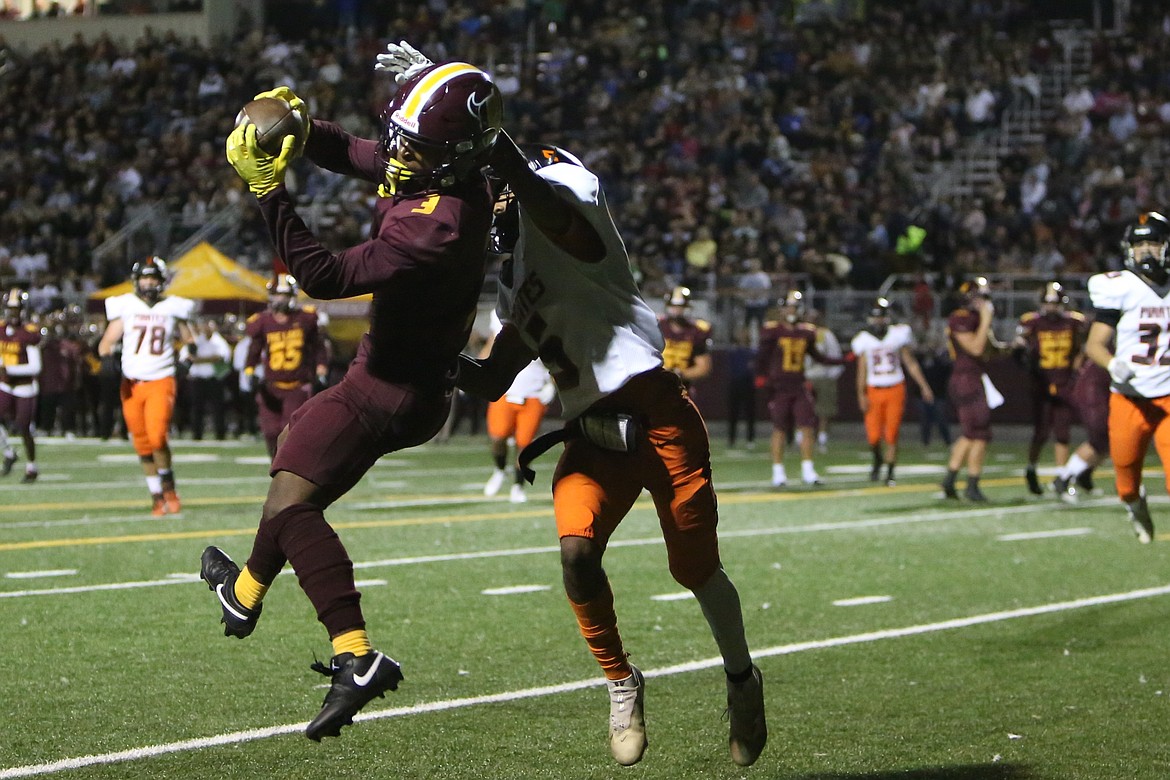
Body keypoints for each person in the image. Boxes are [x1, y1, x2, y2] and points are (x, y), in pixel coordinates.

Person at [199, 61, 503, 741]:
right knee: (290, 474)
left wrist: (268, 190)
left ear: (451, 154)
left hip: (392, 389)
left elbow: (322, 275)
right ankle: (243, 595)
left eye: (412, 142)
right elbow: (354, 152)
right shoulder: (442, 172)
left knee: (295, 499)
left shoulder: (439, 222)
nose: (396, 150)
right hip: (394, 376)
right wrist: (305, 126)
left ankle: (356, 656)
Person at [456, 136, 766, 767]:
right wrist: (421, 352)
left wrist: (488, 133)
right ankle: (621, 680)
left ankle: (741, 679)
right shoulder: (519, 276)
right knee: (575, 554)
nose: (499, 203)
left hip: (658, 420)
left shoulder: (575, 221)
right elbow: (491, 379)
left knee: (696, 570)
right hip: (594, 434)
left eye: (507, 189)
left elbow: (540, 196)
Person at [1084, 211, 1170, 543]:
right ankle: (1136, 507)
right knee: (1126, 481)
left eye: (1153, 242)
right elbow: (1094, 345)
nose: (1145, 250)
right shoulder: (1119, 287)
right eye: (1139, 244)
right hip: (1129, 396)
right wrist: (1113, 364)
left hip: (1167, 394)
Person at [97, 257, 196, 515]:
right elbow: (106, 342)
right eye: (145, 277)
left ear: (162, 281)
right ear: (136, 280)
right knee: (141, 442)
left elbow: (190, 341)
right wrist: (107, 358)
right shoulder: (126, 306)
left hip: (161, 379)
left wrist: (186, 360)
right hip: (131, 383)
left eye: (153, 278)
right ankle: (156, 495)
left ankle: (169, 486)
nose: (149, 283)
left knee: (157, 436)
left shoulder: (173, 307)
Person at [755, 290, 847, 487]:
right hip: (780, 387)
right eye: (788, 306)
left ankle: (808, 470)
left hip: (798, 385)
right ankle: (778, 472)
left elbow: (818, 356)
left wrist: (840, 360)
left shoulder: (807, 332)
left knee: (806, 426)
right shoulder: (773, 331)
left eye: (795, 307)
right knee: (779, 428)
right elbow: (762, 357)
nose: (791, 310)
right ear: (781, 309)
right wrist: (761, 378)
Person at [243, 273, 328, 458]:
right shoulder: (262, 321)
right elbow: (254, 349)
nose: (280, 299)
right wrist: (249, 371)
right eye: (276, 294)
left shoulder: (306, 318)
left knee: (289, 431)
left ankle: (290, 466)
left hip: (298, 384)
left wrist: (321, 367)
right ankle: (277, 467)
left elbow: (318, 346)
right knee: (271, 432)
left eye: (284, 295)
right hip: (270, 386)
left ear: (292, 296)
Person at [851, 297, 933, 486]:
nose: (879, 321)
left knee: (892, 432)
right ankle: (878, 459)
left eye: (882, 317)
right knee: (873, 436)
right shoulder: (864, 339)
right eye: (876, 318)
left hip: (895, 387)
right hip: (873, 389)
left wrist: (924, 385)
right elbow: (861, 370)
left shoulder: (897, 335)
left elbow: (910, 363)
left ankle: (890, 472)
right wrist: (860, 393)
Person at [1014, 282, 1086, 495]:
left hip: (1064, 382)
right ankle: (1031, 469)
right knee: (1041, 432)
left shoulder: (1074, 322)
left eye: (1054, 303)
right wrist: (1020, 348)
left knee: (1063, 432)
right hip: (1042, 383)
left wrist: (1075, 371)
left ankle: (1061, 477)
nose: (1050, 307)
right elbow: (1019, 346)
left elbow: (1082, 349)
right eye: (1047, 302)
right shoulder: (1032, 323)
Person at [940, 276, 1006, 502]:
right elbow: (976, 349)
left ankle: (950, 480)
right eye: (982, 297)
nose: (986, 303)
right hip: (965, 378)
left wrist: (1009, 348)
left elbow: (988, 350)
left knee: (971, 433)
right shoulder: (960, 319)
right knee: (980, 433)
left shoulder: (974, 320)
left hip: (973, 377)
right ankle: (972, 485)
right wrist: (987, 319)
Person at [481, 310, 554, 503]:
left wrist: (553, 384)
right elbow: (490, 346)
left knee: (525, 445)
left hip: (534, 391)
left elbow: (556, 353)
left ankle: (517, 486)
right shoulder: (499, 314)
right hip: (505, 389)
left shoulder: (546, 315)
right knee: (498, 437)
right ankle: (499, 470)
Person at [0, 289, 42, 483]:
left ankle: (32, 466)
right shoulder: (1, 329)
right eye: (10, 309)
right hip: (5, 385)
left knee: (24, 428)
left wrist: (8, 369)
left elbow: (36, 366)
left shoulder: (29, 333)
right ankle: (9, 452)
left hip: (24, 386)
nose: (13, 313)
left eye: (16, 309)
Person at [1055, 358, 1110, 502]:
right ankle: (1063, 479)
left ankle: (1084, 476)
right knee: (1099, 439)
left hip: (1100, 391)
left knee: (1112, 440)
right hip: (1093, 392)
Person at [185, 317, 233, 441]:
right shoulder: (197, 340)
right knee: (197, 408)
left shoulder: (218, 341)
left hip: (214, 379)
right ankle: (197, 434)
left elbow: (220, 357)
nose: (206, 328)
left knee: (218, 407)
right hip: (198, 379)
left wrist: (199, 360)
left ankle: (220, 434)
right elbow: (187, 356)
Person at [657, 285, 713, 391]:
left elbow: (703, 367)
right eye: (674, 306)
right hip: (656, 385)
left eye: (681, 306)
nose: (677, 310)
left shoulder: (697, 331)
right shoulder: (657, 326)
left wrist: (679, 374)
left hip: (682, 388)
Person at [805, 309, 844, 454]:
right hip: (806, 376)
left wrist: (831, 375)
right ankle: (802, 436)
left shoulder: (825, 334)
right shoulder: (800, 333)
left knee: (824, 410)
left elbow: (834, 354)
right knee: (803, 409)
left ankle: (822, 437)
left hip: (823, 376)